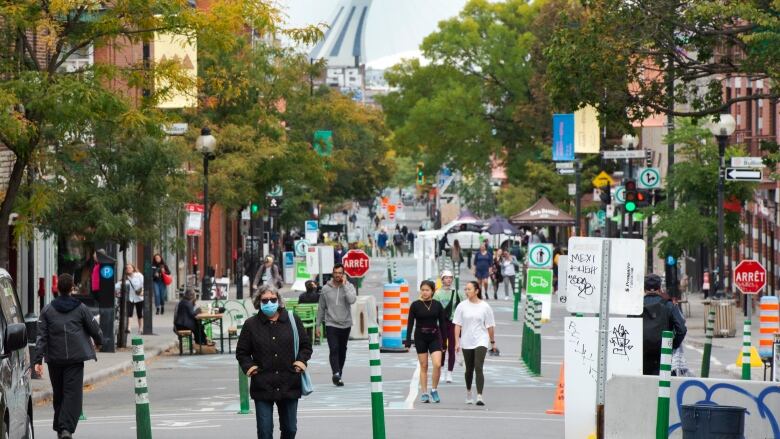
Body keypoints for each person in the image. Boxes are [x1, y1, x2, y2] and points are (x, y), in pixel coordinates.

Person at [236, 285, 312, 439]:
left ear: (278, 300)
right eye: (265, 300)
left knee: (290, 429)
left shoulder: (292, 320)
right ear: (259, 302)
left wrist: (300, 363)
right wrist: (251, 368)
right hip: (263, 384)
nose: (269, 302)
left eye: (273, 299)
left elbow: (305, 346)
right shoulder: (251, 324)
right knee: (264, 432)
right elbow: (242, 352)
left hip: (289, 382)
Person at [34, 274, 103, 439]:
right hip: (75, 358)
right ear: (72, 288)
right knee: (72, 394)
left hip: (55, 359)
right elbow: (94, 327)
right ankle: (65, 429)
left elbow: (41, 336)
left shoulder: (48, 310)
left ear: (57, 288)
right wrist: (100, 340)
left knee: (59, 393)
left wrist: (38, 359)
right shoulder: (81, 308)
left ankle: (61, 427)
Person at [454, 281, 496, 406]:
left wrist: (492, 342)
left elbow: (490, 326)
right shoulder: (461, 306)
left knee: (478, 366)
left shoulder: (485, 306)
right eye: (465, 289)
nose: (467, 291)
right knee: (469, 369)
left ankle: (479, 396)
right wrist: (457, 342)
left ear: (477, 291)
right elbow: (457, 325)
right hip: (466, 340)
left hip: (481, 340)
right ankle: (468, 392)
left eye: (469, 289)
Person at [405, 280, 447, 403]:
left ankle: (434, 389)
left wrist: (444, 342)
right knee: (424, 366)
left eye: (427, 290)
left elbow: (443, 324)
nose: (424, 292)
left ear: (432, 291)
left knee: (437, 364)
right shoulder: (415, 305)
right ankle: (424, 392)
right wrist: (408, 341)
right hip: (420, 337)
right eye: (422, 290)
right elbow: (410, 324)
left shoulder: (437, 305)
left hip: (434, 336)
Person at [315, 263, 357, 386]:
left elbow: (352, 300)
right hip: (331, 323)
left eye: (340, 273)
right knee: (334, 349)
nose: (338, 275)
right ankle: (335, 373)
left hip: (345, 323)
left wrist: (344, 286)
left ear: (343, 274)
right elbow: (321, 308)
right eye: (336, 273)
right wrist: (318, 325)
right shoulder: (325, 289)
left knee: (342, 350)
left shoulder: (349, 286)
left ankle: (339, 373)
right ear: (333, 273)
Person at [642, 274, 687, 375]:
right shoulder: (668, 305)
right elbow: (682, 329)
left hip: (642, 355)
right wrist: (673, 344)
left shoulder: (636, 306)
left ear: (644, 288)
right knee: (664, 386)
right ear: (660, 288)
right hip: (663, 354)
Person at [433, 270, 465, 383]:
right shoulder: (437, 294)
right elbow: (434, 309)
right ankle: (441, 370)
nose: (449, 280)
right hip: (441, 324)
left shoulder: (458, 293)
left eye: (450, 278)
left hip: (453, 323)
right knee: (442, 348)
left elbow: (464, 307)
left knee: (452, 348)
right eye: (446, 278)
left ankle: (449, 373)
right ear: (442, 280)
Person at [117, 263, 144, 334]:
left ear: (133, 268)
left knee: (139, 313)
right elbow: (117, 286)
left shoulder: (139, 275)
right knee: (129, 313)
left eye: (130, 267)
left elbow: (144, 284)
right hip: (130, 297)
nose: (128, 269)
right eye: (127, 268)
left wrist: (142, 291)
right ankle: (129, 328)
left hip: (139, 297)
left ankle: (140, 328)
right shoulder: (125, 277)